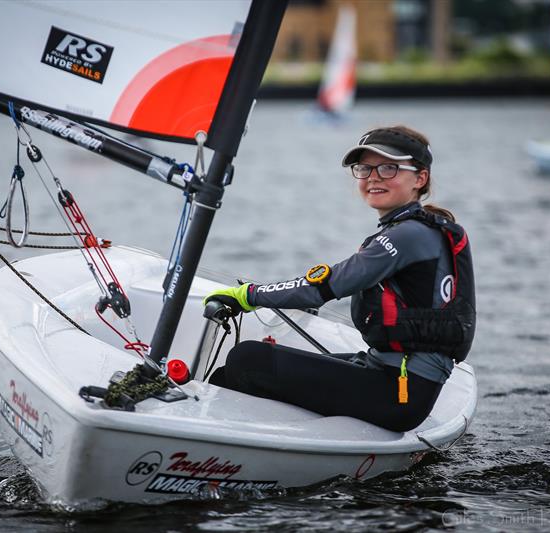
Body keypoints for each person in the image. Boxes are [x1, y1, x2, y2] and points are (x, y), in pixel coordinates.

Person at [204, 125, 476, 433]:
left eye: (389, 168)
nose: (373, 177)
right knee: (231, 375)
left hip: (399, 393)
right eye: (364, 169)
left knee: (248, 359)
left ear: (420, 178)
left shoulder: (408, 235)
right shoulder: (420, 229)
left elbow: (325, 285)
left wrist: (248, 295)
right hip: (391, 373)